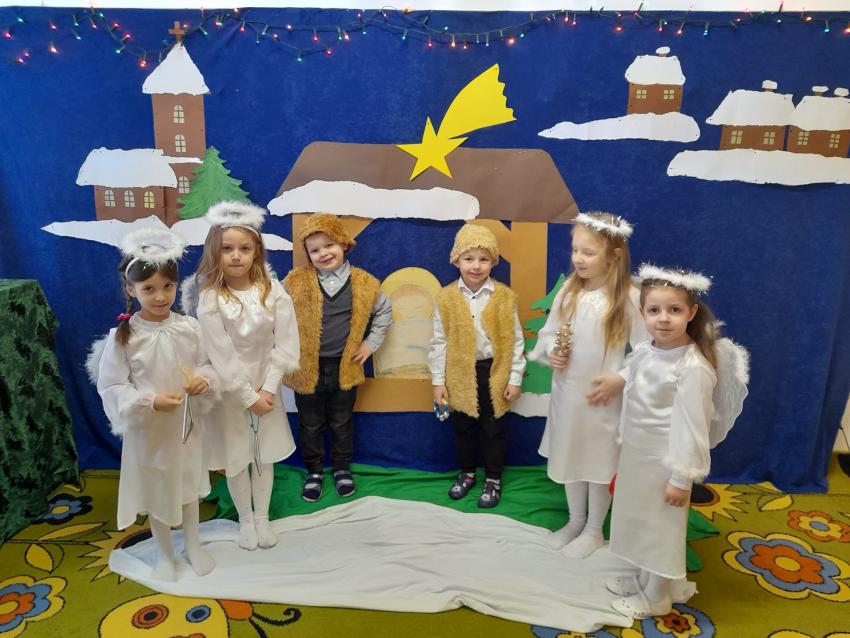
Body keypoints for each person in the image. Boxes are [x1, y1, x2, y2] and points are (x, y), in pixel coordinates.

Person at [607, 264, 748, 618]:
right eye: (654, 310)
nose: (663, 319)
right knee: (641, 520)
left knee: (661, 527)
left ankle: (657, 597)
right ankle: (647, 578)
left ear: (692, 312)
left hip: (665, 462)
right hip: (639, 455)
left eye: (674, 310)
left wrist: (681, 478)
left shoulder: (692, 367)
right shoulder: (645, 350)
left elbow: (693, 428)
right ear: (642, 312)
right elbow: (635, 380)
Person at [94, 228, 216, 581]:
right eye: (149, 289)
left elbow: (208, 364)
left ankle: (192, 545)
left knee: (188, 485)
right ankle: (165, 553)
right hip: (150, 431)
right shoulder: (124, 337)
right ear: (131, 290)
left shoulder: (190, 327)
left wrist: (203, 379)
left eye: (167, 286)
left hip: (185, 427)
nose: (160, 296)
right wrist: (149, 400)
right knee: (158, 488)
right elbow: (112, 385)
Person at [528, 212, 646, 557]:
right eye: (575, 250)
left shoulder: (628, 296)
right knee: (571, 455)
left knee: (598, 462)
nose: (578, 258)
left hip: (602, 398)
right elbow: (549, 333)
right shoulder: (569, 290)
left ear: (613, 256)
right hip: (568, 394)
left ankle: (594, 530)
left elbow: (646, 350)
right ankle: (575, 521)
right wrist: (553, 352)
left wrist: (620, 378)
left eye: (588, 252)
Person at [195, 200, 300, 551]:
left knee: (262, 454)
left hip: (266, 389)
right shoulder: (210, 298)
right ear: (215, 251)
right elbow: (220, 352)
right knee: (237, 456)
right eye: (227, 249)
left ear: (257, 251)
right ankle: (246, 519)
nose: (236, 256)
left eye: (244, 248)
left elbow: (286, 343)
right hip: (232, 392)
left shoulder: (272, 290)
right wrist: (247, 396)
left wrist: (267, 390)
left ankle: (263, 518)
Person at [283, 213, 392, 502]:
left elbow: (384, 312)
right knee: (310, 423)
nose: (323, 253)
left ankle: (342, 468)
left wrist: (370, 344)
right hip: (306, 369)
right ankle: (314, 472)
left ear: (343, 244)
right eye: (314, 250)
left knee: (342, 422)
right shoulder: (295, 281)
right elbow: (275, 314)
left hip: (345, 367)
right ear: (307, 255)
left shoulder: (364, 283)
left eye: (329, 245)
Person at [429, 223, 526, 508]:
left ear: (493, 262)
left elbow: (515, 340)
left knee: (494, 428)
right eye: (469, 258)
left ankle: (493, 477)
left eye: (484, 259)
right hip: (459, 373)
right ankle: (467, 472)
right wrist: (438, 381)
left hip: (493, 372)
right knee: (464, 427)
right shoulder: (446, 298)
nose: (476, 266)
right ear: (456, 260)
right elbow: (439, 341)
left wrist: (515, 378)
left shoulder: (504, 297)